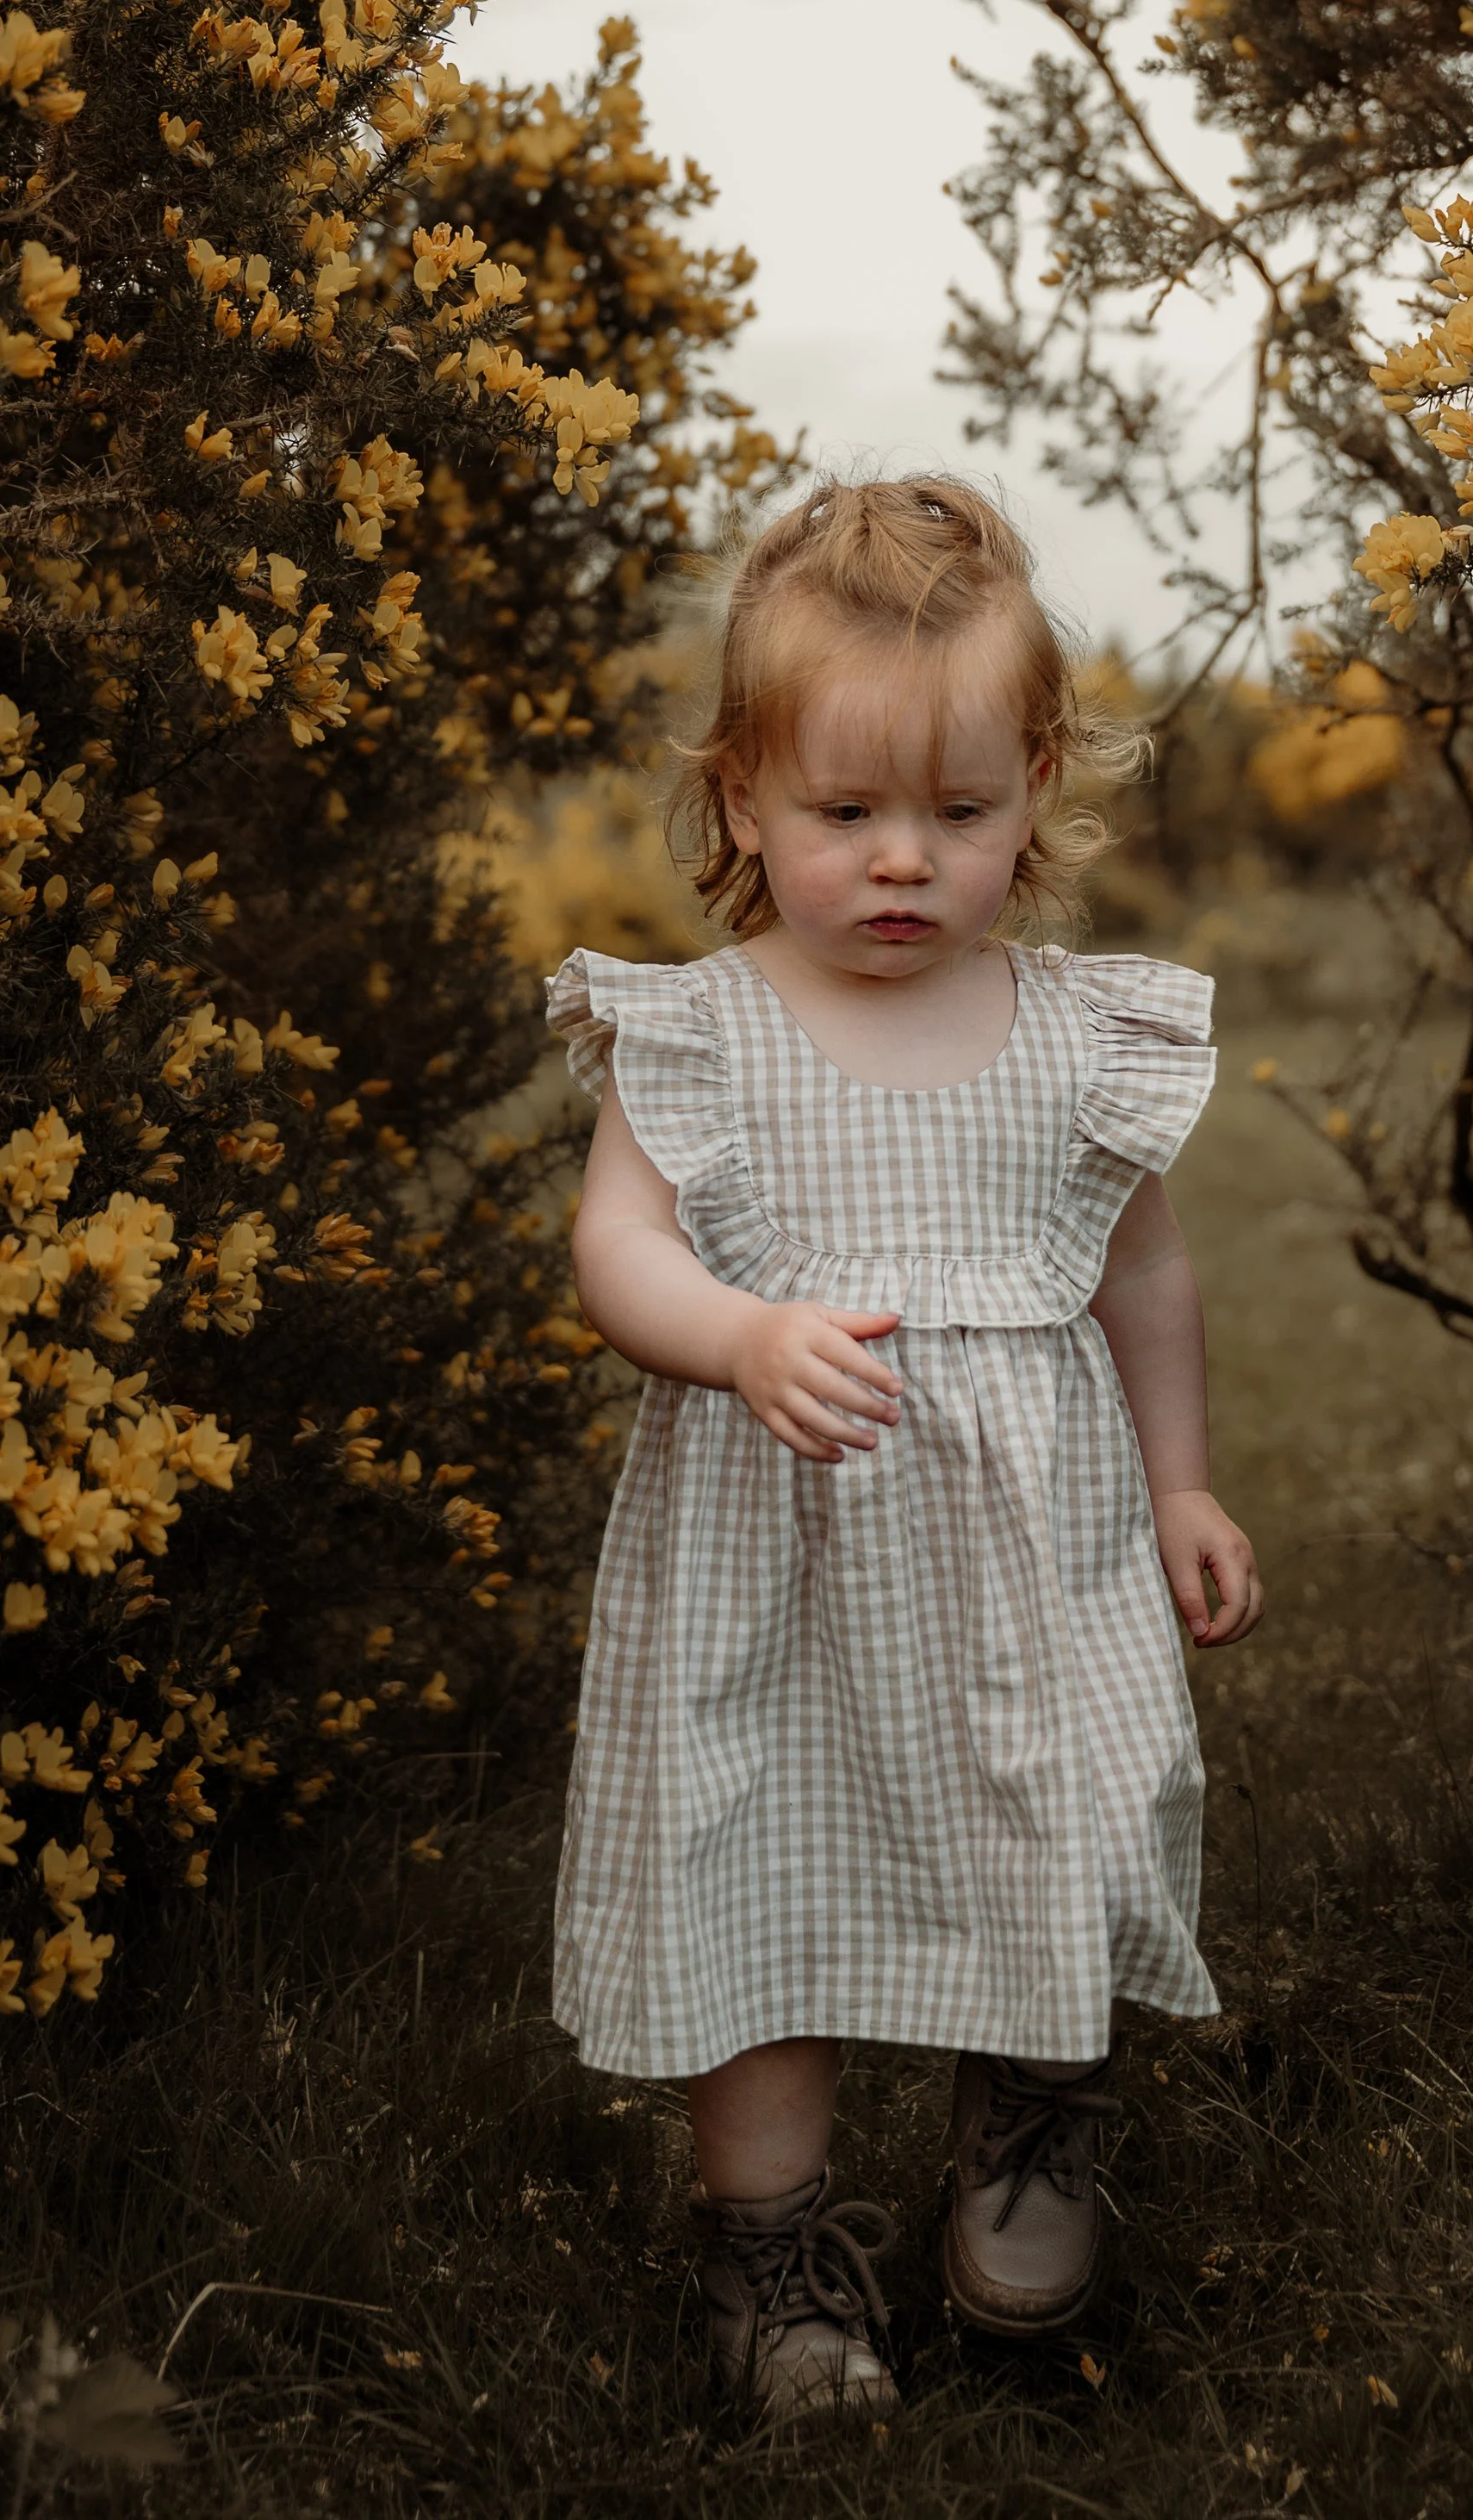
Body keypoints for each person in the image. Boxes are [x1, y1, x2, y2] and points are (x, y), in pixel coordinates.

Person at [545, 474, 1262, 2423]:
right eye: (840, 811)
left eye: (956, 811)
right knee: (759, 1882)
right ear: (739, 799)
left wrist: (1181, 1477)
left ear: (1034, 792)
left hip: (1036, 1566)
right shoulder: (699, 1033)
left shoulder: (1071, 1031)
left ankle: (1030, 2127)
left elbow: (1145, 1276)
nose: (898, 862)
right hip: (773, 1567)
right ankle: (772, 2257)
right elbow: (618, 1248)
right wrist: (737, 1332)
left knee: (1061, 1831)